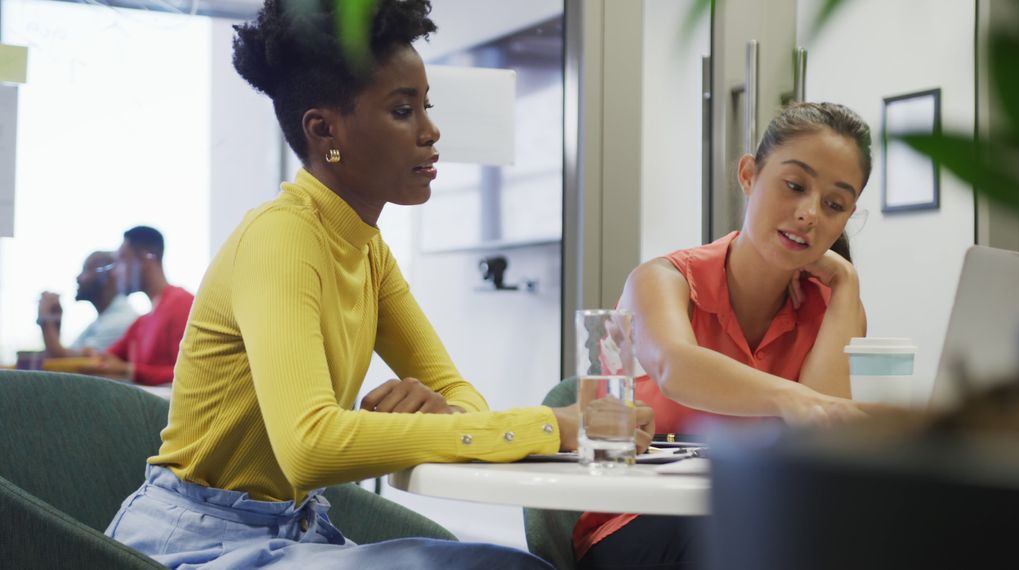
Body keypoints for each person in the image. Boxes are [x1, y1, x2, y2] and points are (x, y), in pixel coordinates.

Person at [104, 1, 653, 568]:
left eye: (425, 106)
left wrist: (440, 408)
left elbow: (463, 398)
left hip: (296, 530)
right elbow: (310, 446)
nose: (430, 130)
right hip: (193, 542)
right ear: (324, 131)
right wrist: (549, 426)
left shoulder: (367, 251)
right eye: (402, 110)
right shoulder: (281, 238)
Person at [573, 102, 875, 569]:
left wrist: (846, 284)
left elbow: (822, 437)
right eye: (794, 186)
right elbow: (678, 367)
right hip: (640, 520)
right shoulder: (663, 279)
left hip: (758, 515)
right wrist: (793, 401)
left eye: (834, 205)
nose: (810, 214)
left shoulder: (834, 306)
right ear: (749, 175)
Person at [81, 226, 194, 385]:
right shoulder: (142, 322)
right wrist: (95, 358)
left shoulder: (182, 304)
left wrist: (129, 371)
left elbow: (190, 375)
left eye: (122, 260)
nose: (115, 272)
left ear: (147, 257)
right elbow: (106, 359)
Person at [37, 250, 138, 357]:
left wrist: (46, 320)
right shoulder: (103, 320)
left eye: (86, 270)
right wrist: (54, 322)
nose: (78, 278)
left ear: (108, 276)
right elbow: (66, 358)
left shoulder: (120, 319)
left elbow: (73, 363)